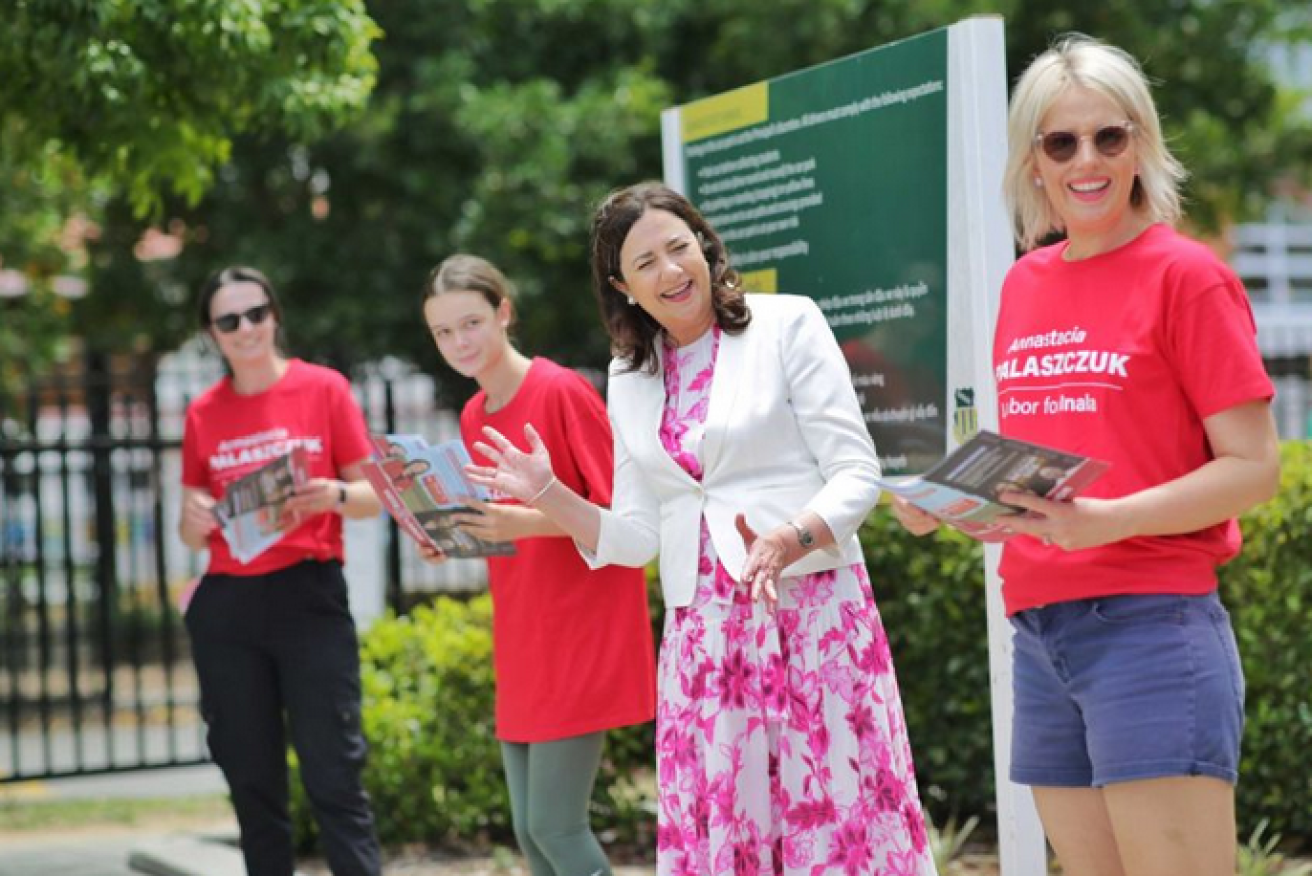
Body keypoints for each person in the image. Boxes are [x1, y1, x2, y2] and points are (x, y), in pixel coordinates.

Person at [465, 184, 936, 875]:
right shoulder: (629, 375)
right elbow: (635, 535)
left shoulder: (787, 323)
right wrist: (550, 492)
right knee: (732, 834)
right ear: (622, 286)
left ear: (707, 248)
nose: (671, 271)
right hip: (704, 643)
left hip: (811, 618)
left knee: (834, 818)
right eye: (646, 262)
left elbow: (857, 474)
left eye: (679, 247)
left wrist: (788, 538)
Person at [893, 35, 1279, 876]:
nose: (1087, 160)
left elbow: (1255, 467)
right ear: (1034, 159)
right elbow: (1050, 473)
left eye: (1110, 136)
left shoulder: (1188, 276)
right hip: (1038, 631)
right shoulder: (1025, 283)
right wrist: (961, 506)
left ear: (1141, 141)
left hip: (1151, 624)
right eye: (1060, 142)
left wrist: (1105, 522)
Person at [420, 253, 656, 876]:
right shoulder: (474, 415)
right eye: (443, 332)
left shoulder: (559, 390)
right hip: (524, 634)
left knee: (557, 825)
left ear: (504, 313)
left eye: (470, 323)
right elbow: (504, 522)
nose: (458, 343)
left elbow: (619, 518)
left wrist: (521, 521)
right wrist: (450, 532)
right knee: (530, 833)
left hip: (581, 629)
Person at [178, 265, 384, 876]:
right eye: (229, 320)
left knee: (334, 776)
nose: (246, 329)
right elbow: (191, 531)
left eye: (256, 313)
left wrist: (332, 494)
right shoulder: (202, 414)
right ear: (212, 333)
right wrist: (193, 515)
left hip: (308, 596)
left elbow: (375, 495)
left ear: (275, 315)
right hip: (227, 608)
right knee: (252, 783)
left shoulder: (323, 389)